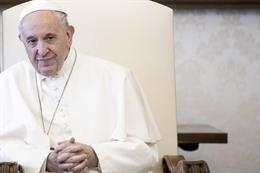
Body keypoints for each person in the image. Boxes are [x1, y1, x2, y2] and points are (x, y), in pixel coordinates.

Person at [0, 0, 161, 173]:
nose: (42, 50)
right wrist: (45, 161)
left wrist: (95, 155)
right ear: (22, 41)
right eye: (31, 41)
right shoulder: (7, 82)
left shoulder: (118, 77)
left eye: (50, 38)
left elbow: (147, 153)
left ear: (69, 35)